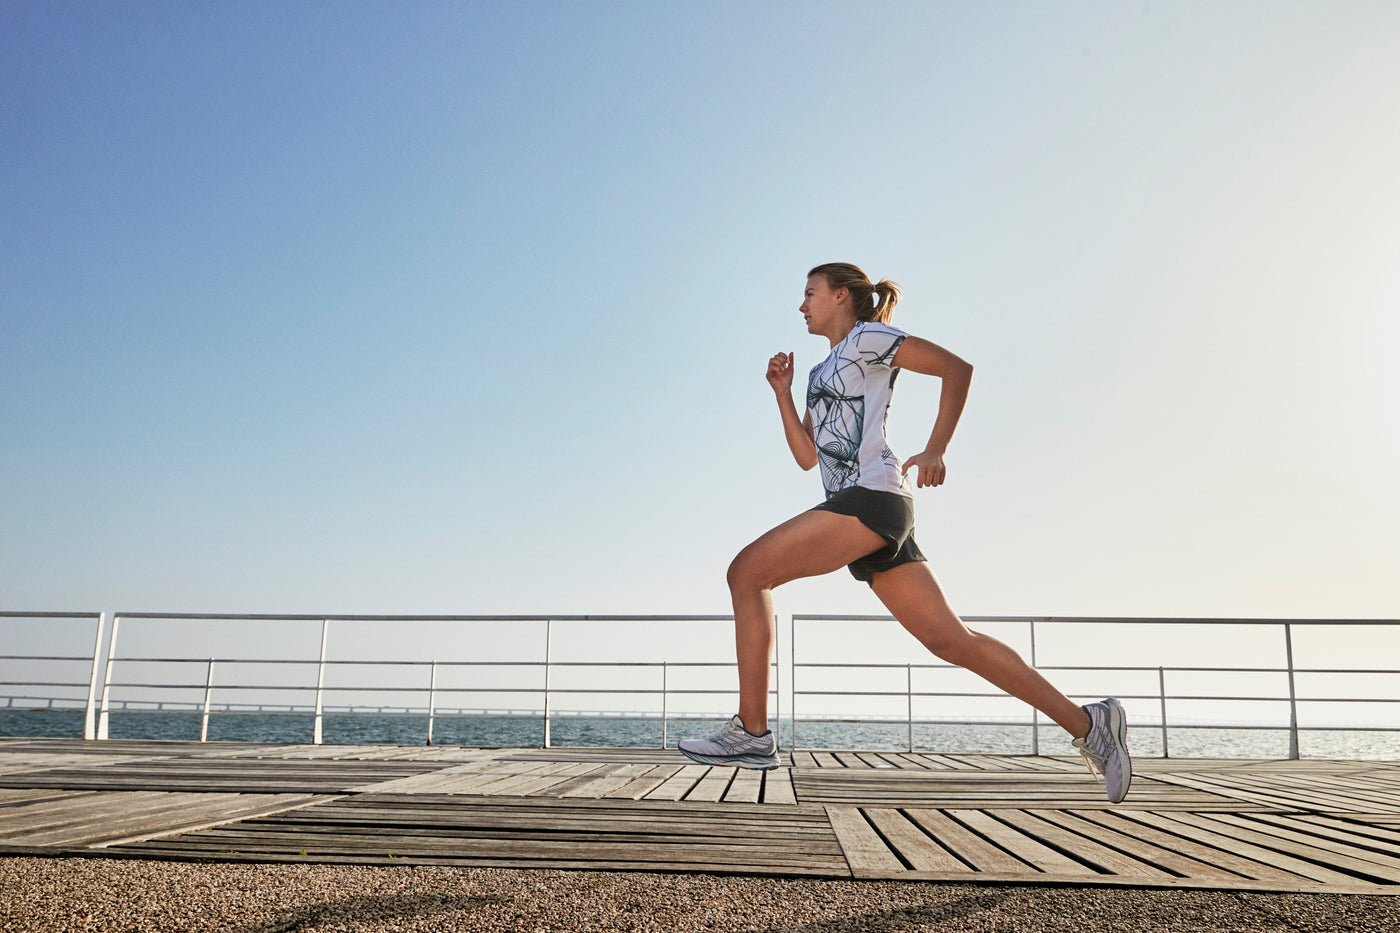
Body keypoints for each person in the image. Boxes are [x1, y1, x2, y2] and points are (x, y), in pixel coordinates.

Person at [678, 262, 1131, 803]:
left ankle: (751, 733)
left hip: (874, 498)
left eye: (810, 294)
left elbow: (957, 370)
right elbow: (806, 457)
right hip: (863, 507)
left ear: (841, 296)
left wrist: (937, 447)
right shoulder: (822, 372)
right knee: (951, 640)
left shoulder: (871, 338)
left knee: (747, 573)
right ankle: (1089, 724)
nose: (801, 305)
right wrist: (782, 391)